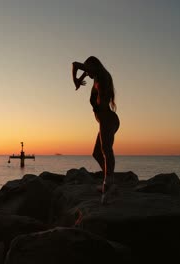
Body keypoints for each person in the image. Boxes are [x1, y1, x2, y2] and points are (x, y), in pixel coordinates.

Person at [72, 56, 120, 204]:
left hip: (108, 120)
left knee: (106, 150)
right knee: (97, 153)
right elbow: (86, 71)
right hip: (105, 121)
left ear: (93, 66)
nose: (89, 74)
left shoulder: (100, 75)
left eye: (89, 69)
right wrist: (81, 77)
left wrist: (76, 79)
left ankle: (108, 185)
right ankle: (110, 181)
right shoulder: (98, 78)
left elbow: (75, 64)